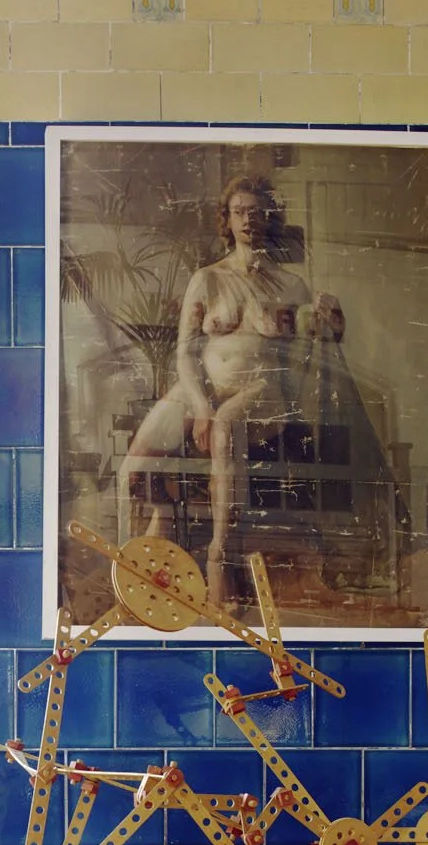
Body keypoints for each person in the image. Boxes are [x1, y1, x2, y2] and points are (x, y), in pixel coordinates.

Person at [118, 173, 349, 606]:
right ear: (227, 219)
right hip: (200, 390)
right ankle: (148, 550)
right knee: (134, 463)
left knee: (224, 427)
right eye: (240, 211)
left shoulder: (291, 285)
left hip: (262, 391)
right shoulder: (206, 279)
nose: (250, 219)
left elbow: (305, 354)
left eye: (259, 211)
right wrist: (201, 404)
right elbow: (186, 353)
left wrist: (330, 321)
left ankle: (220, 553)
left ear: (271, 219)